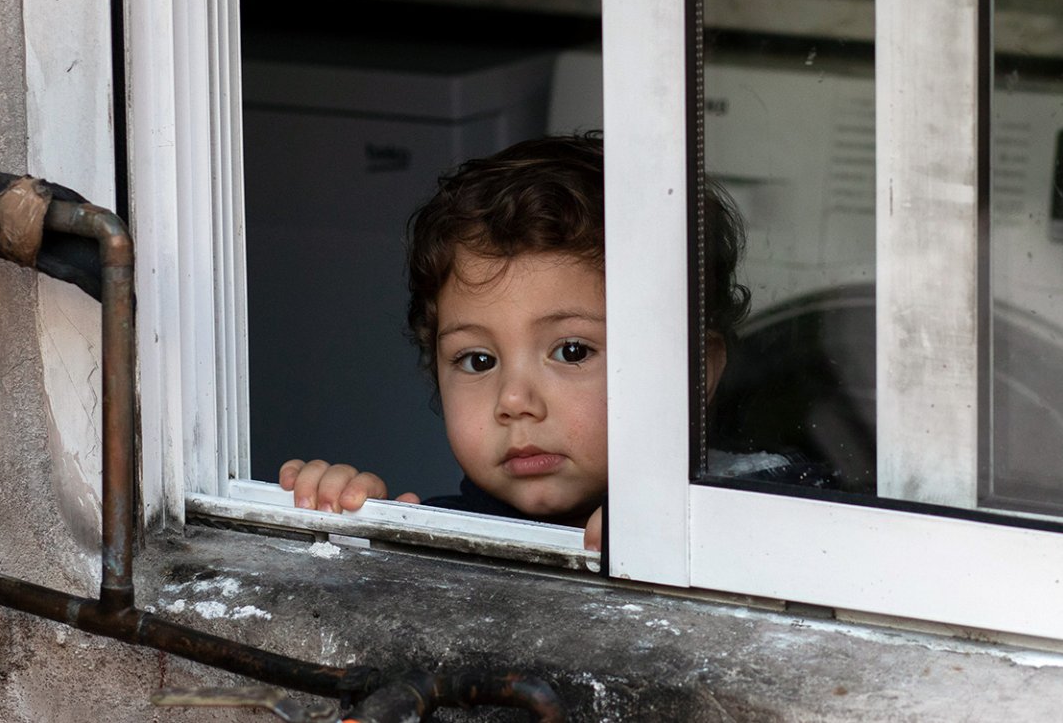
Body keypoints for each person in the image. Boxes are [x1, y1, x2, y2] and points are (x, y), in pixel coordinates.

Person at [276, 133, 750, 551]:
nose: (514, 401)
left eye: (572, 351)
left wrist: (698, 539)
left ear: (694, 373)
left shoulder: (762, 514)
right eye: (478, 360)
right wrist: (341, 526)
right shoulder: (437, 537)